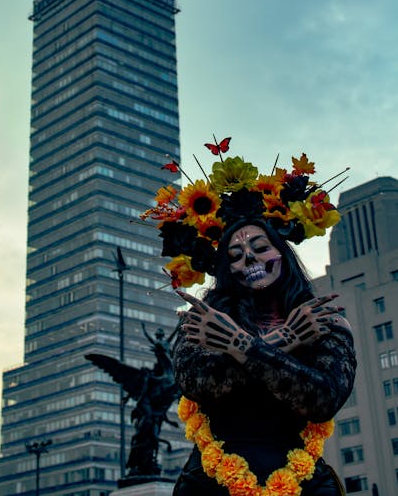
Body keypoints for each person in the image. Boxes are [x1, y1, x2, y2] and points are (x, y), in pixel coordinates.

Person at [141, 141, 356, 495]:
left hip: (304, 483)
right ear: (226, 270)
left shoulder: (324, 322)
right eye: (237, 255)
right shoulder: (202, 321)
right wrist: (282, 341)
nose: (250, 260)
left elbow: (322, 401)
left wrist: (240, 347)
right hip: (210, 483)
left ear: (281, 255)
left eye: (260, 249)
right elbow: (200, 385)